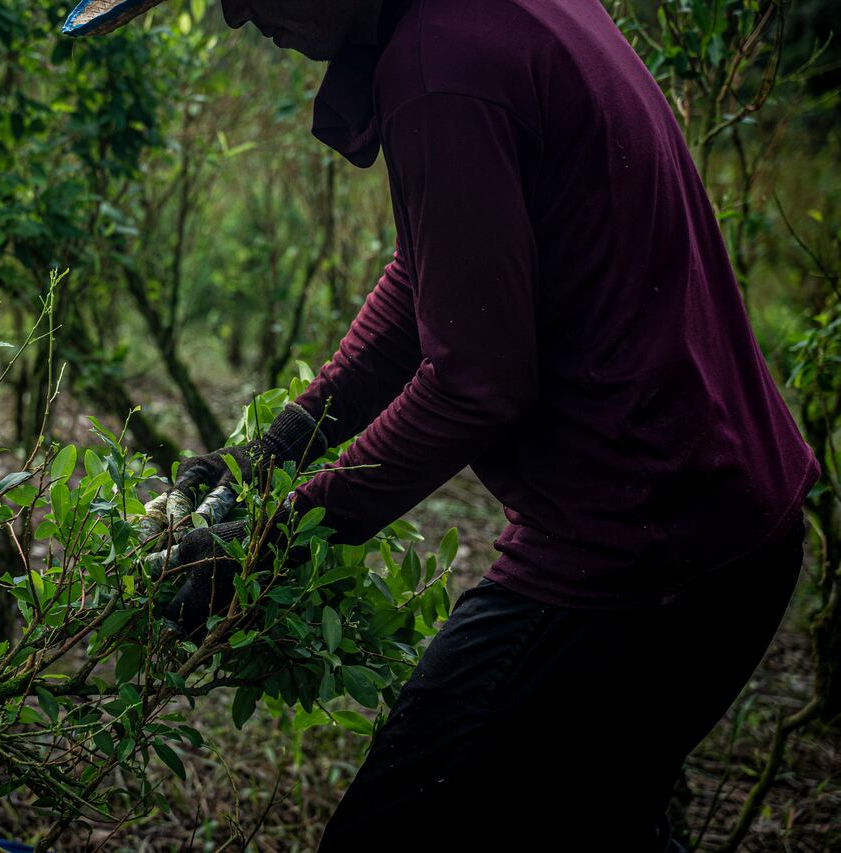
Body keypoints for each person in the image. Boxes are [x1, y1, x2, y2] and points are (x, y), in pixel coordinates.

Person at [63, 0, 821, 849]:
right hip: (733, 525)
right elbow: (436, 272)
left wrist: (266, 543)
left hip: (640, 559)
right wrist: (270, 452)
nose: (237, 14)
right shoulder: (470, 23)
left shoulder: (442, 66)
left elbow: (475, 384)